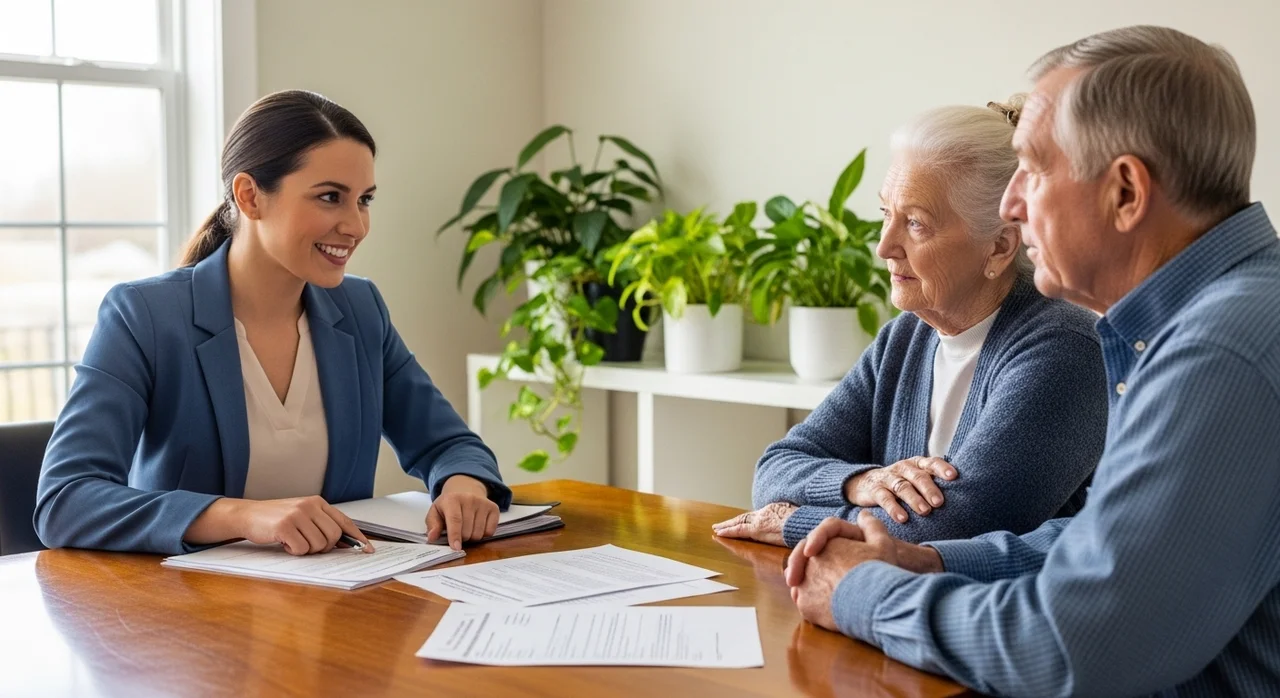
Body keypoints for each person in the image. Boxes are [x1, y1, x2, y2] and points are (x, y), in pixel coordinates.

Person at [785, 25, 1280, 697]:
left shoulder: (1217, 353)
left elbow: (1071, 646)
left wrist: (863, 594)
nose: (1012, 205)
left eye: (1035, 169)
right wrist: (927, 560)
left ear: (1126, 193)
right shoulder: (1216, 319)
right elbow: (1107, 552)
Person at [35, 90, 510, 556]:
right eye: (330, 197)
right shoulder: (145, 316)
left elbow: (449, 443)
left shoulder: (361, 309)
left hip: (339, 603)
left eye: (364, 200)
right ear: (249, 196)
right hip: (186, 612)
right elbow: (65, 499)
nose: (356, 225)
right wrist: (243, 516)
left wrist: (462, 486)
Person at [715, 101, 1109, 548]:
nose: (885, 247)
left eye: (916, 223)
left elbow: (951, 529)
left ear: (999, 247)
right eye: (887, 214)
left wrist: (792, 522)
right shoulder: (905, 337)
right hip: (882, 600)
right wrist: (860, 482)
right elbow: (776, 468)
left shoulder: (1064, 349)